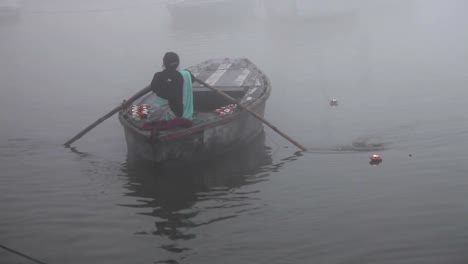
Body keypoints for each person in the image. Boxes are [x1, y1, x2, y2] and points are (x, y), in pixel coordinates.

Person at [149, 52, 196, 121]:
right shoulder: (186, 74)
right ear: (178, 64)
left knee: (155, 107)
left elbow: (153, 88)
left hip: (164, 116)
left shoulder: (158, 76)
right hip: (183, 114)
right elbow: (193, 79)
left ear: (164, 64)